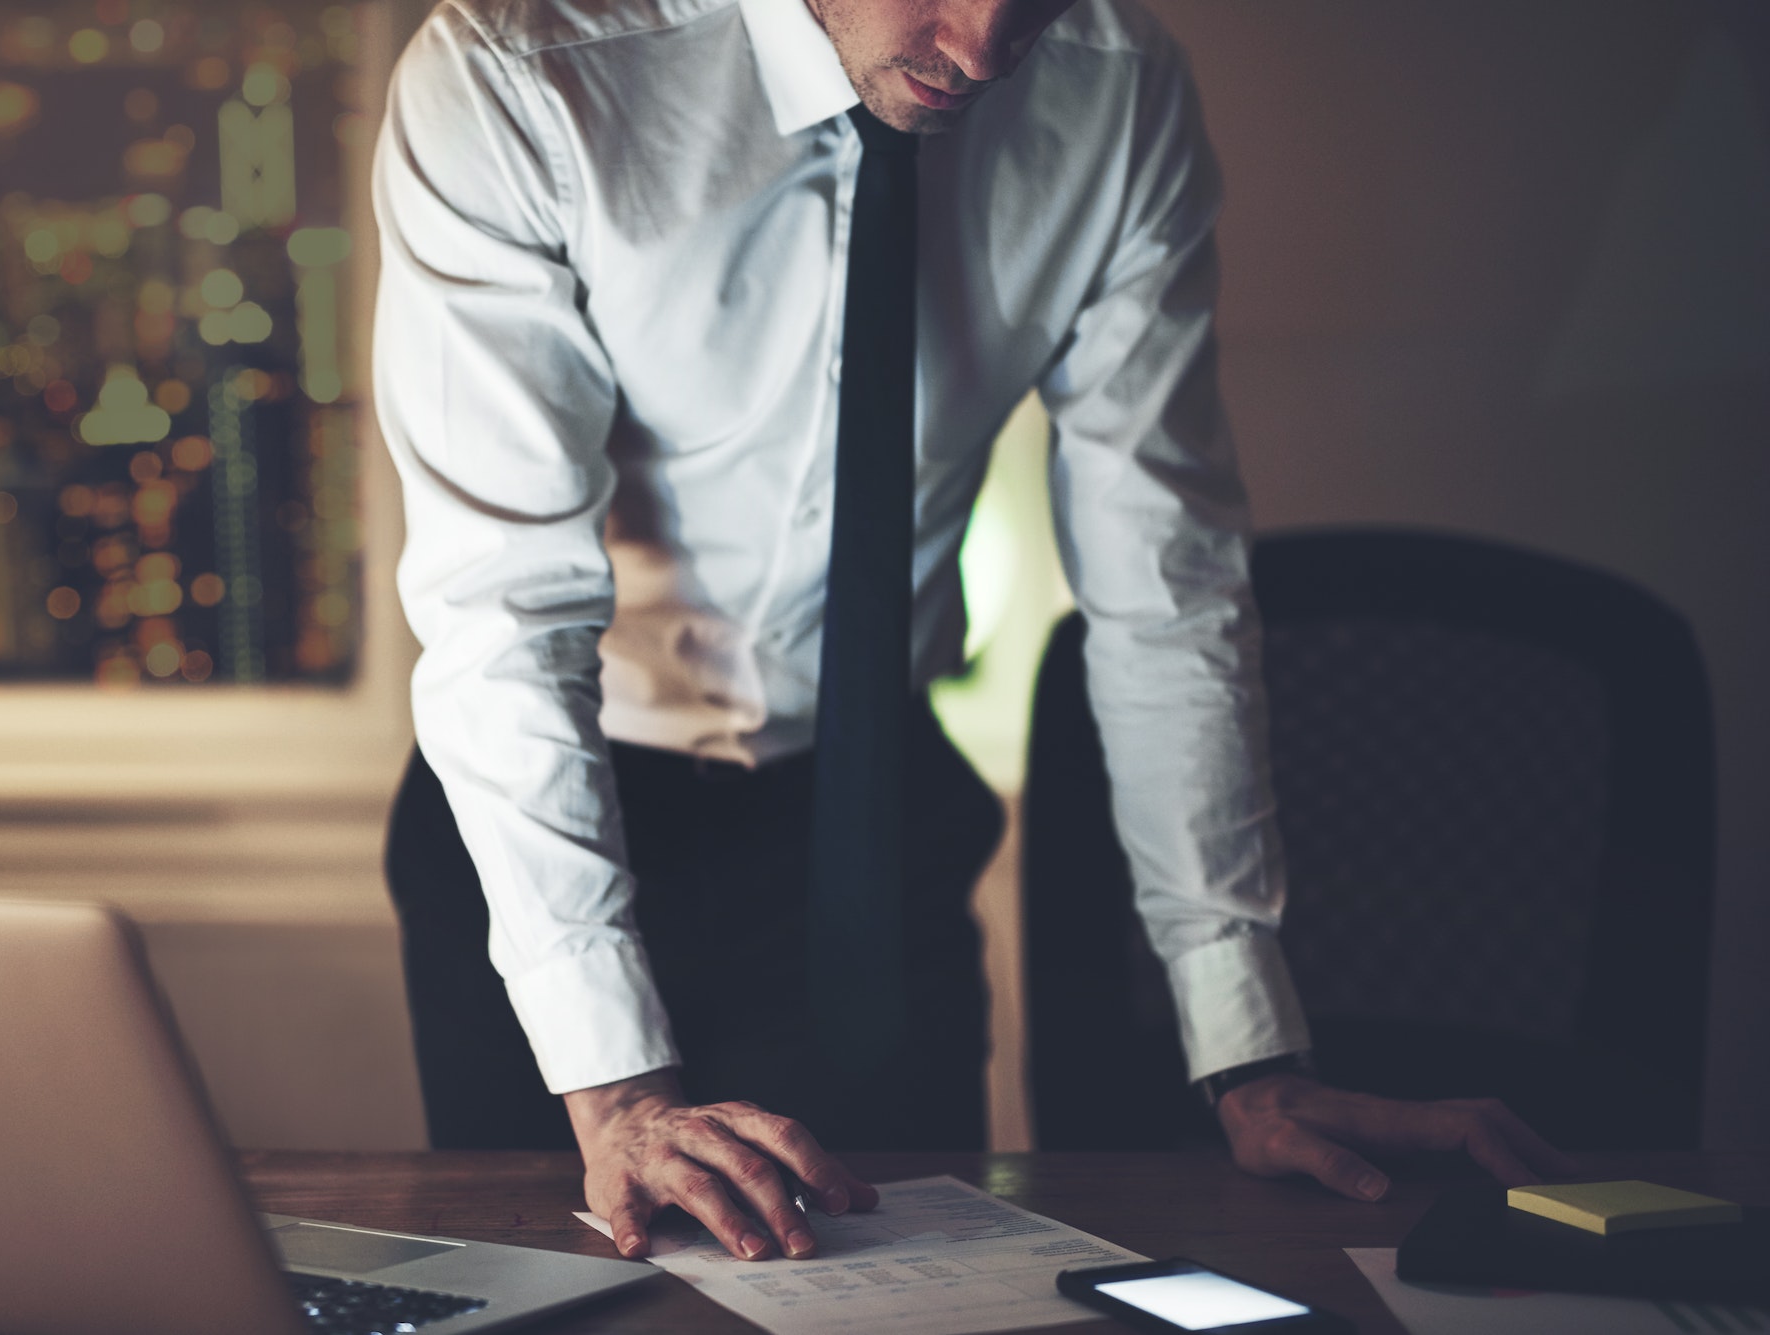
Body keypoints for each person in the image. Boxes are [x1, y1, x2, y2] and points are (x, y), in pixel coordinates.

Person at [371, 0, 1575, 1266]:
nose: (989, 49)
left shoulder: (1117, 92)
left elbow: (1166, 589)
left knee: (917, 1291)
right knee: (566, 1300)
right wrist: (617, 1089)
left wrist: (1249, 1054)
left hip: (875, 836)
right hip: (546, 821)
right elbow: (505, 607)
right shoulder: (519, 73)